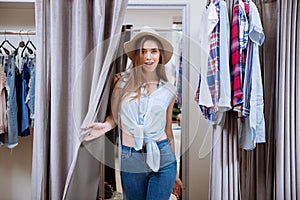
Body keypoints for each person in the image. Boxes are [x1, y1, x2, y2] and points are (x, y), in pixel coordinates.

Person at [83, 26, 183, 200]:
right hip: (131, 157)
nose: (148, 57)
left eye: (153, 51)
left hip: (163, 156)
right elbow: (114, 117)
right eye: (143, 51)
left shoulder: (169, 90)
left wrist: (175, 173)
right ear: (137, 55)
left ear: (160, 55)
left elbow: (168, 131)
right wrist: (105, 126)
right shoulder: (121, 82)